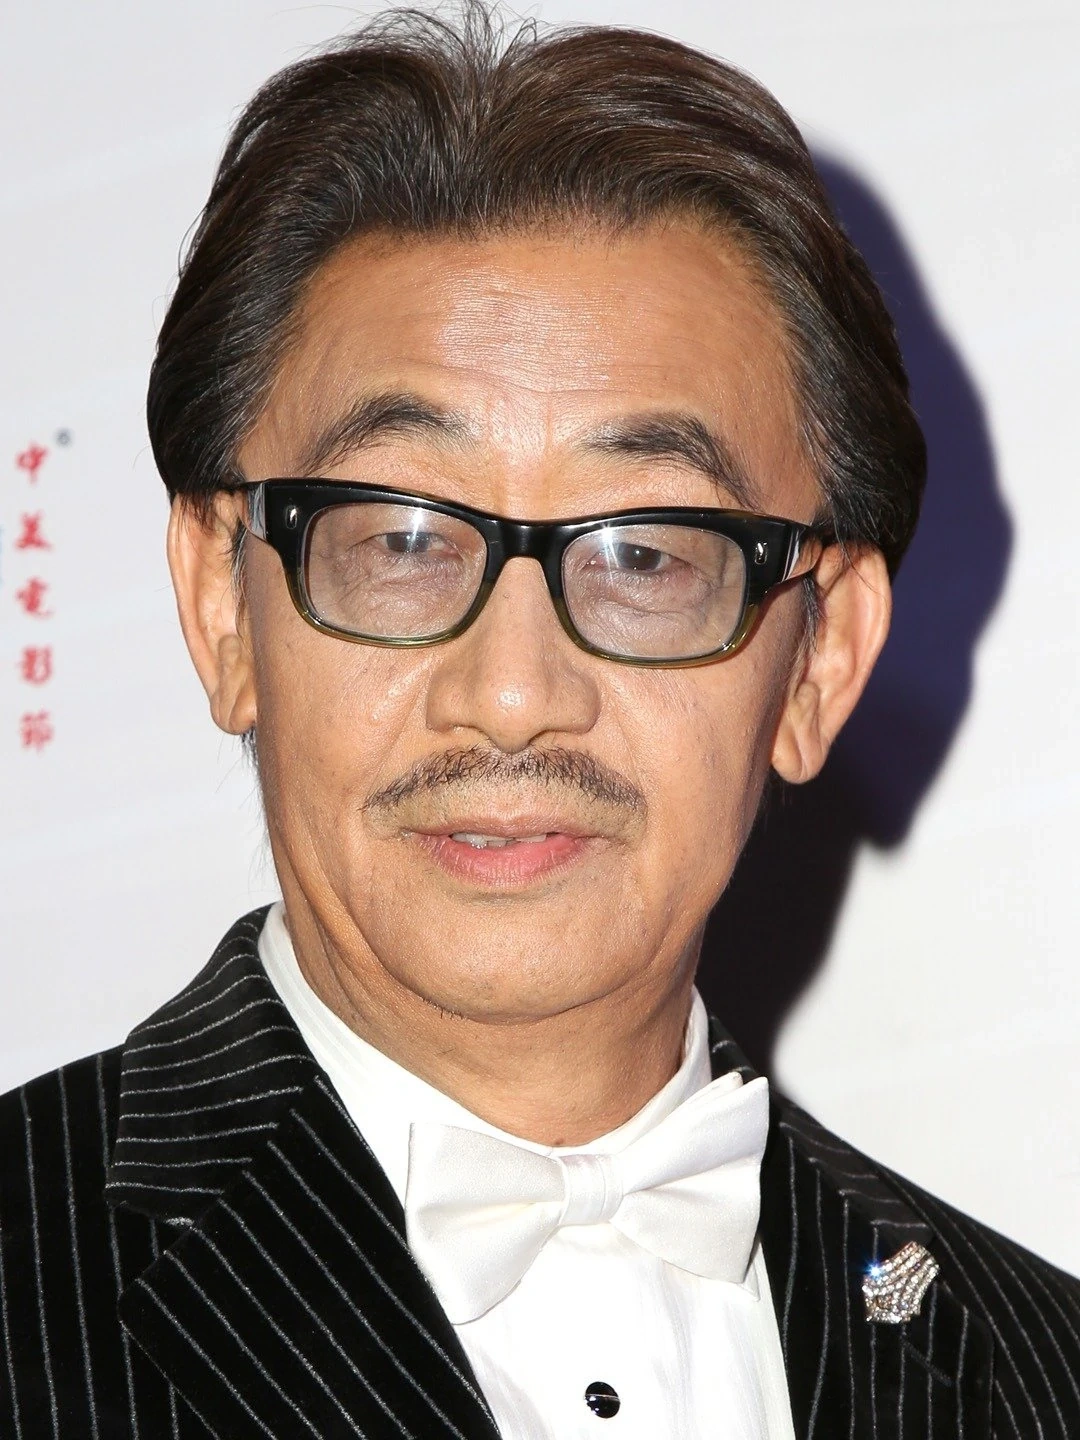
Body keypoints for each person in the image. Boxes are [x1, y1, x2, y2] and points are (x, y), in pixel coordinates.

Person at [2, 8, 1076, 1437]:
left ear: (820, 656)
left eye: (645, 552)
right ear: (221, 605)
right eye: (399, 538)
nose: (511, 692)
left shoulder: (1040, 1369)